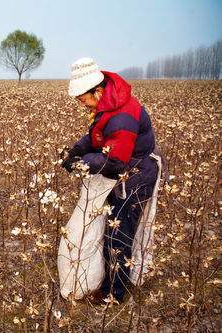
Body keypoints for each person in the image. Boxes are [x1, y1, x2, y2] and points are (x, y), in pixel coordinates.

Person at [62, 57, 158, 303]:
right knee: (113, 227)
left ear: (97, 91)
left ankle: (113, 293)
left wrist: (82, 164)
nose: (82, 105)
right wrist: (76, 150)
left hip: (135, 176)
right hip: (128, 173)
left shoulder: (122, 116)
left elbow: (115, 160)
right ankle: (111, 282)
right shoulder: (109, 106)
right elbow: (97, 137)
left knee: (118, 232)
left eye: (83, 100)